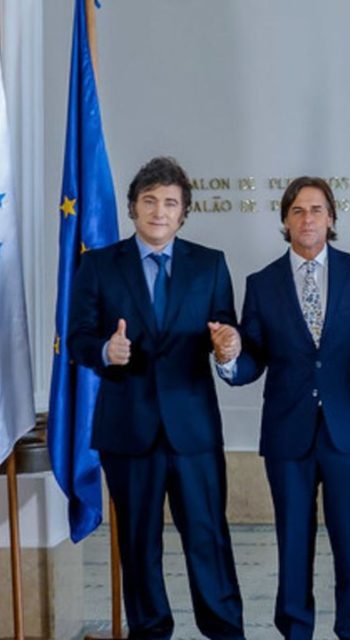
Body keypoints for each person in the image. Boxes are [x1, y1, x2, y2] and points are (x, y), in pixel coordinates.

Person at [211, 176, 350, 640]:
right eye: (298, 211)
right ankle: (296, 630)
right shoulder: (262, 284)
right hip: (288, 434)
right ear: (285, 221)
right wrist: (228, 358)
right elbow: (254, 360)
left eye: (317, 210)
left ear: (331, 218)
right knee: (293, 542)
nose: (308, 219)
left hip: (348, 430)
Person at [68, 156, 244, 639]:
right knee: (139, 543)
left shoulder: (209, 264)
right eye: (149, 201)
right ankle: (150, 631)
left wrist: (228, 343)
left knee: (208, 538)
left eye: (170, 202)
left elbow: (226, 327)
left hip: (193, 431)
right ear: (133, 208)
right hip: (128, 431)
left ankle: (226, 630)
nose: (159, 211)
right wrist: (107, 349)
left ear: (184, 211)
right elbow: (77, 336)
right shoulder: (99, 265)